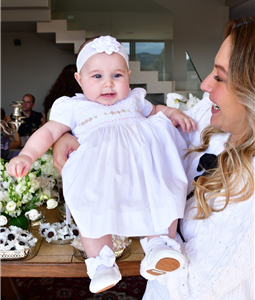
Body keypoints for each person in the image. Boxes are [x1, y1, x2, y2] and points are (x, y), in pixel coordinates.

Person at [52, 16, 255, 300]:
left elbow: (197, 286)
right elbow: (154, 141)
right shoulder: (210, 117)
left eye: (220, 77)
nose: (206, 84)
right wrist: (72, 135)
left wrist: (156, 242)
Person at [7, 36, 196, 294]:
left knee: (160, 197)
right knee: (92, 212)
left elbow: (157, 110)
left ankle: (159, 245)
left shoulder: (135, 100)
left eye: (117, 75)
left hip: (143, 174)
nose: (108, 83)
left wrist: (173, 113)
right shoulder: (74, 107)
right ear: (79, 79)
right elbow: (49, 132)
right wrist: (27, 155)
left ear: (128, 76)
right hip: (100, 178)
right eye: (97, 76)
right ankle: (101, 263)